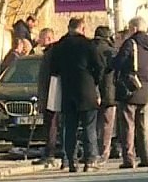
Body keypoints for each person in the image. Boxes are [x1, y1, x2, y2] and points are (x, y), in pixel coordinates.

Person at [50, 18, 104, 172]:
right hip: (87, 90)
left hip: (67, 91)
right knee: (89, 127)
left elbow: (54, 70)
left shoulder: (59, 46)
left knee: (70, 128)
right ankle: (90, 161)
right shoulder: (88, 44)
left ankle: (71, 162)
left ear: (68, 28)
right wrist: (94, 81)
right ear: (82, 28)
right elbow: (100, 66)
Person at [114, 17, 148, 169]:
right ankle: (146, 157)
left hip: (130, 89)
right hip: (146, 89)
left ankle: (129, 159)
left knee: (128, 125)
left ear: (133, 28)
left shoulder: (130, 43)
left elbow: (118, 62)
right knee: (143, 126)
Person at [93, 25, 119, 161]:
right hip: (109, 91)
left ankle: (94, 151)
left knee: (94, 123)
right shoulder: (112, 51)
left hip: (91, 91)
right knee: (107, 124)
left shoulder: (89, 49)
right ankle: (104, 152)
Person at [36, 30, 61, 166]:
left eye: (41, 38)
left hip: (52, 93)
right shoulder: (50, 52)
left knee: (52, 124)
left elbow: (46, 78)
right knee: (51, 124)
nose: (39, 40)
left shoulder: (52, 53)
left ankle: (50, 153)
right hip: (51, 92)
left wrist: (43, 97)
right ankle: (50, 152)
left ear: (49, 38)